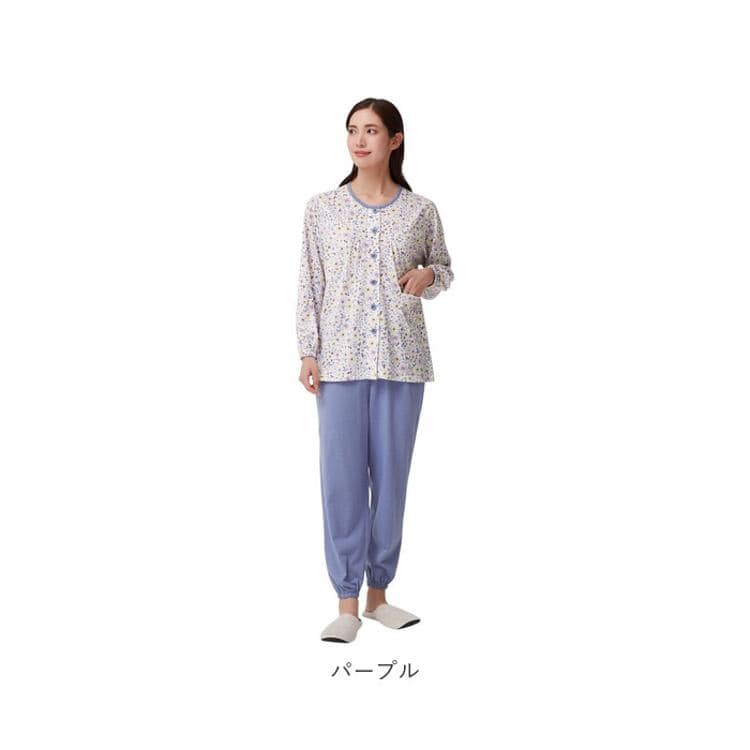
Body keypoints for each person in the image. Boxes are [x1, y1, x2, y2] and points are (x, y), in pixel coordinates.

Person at [296, 98, 454, 643]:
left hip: (402, 361)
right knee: (341, 482)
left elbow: (444, 269)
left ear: (395, 140)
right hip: (338, 363)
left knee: (390, 482)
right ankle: (346, 602)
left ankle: (379, 597)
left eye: (370, 130)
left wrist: (428, 275)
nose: (359, 140)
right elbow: (309, 282)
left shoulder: (421, 211)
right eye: (352, 130)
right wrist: (308, 350)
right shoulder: (322, 209)